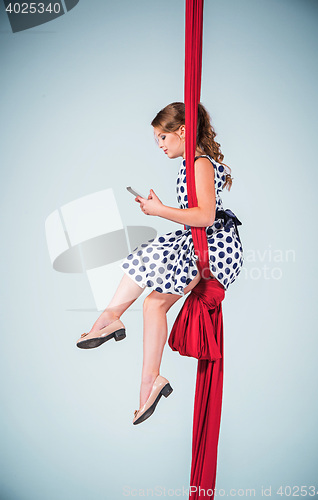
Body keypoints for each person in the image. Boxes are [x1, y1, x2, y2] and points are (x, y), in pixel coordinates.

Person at [76, 102, 244, 425]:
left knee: (154, 297)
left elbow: (206, 216)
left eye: (162, 138)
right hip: (194, 239)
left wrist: (159, 210)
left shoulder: (201, 165)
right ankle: (116, 326)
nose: (160, 146)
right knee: (147, 275)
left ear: (182, 132)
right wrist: (158, 208)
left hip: (215, 246)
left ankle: (140, 367)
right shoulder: (187, 165)